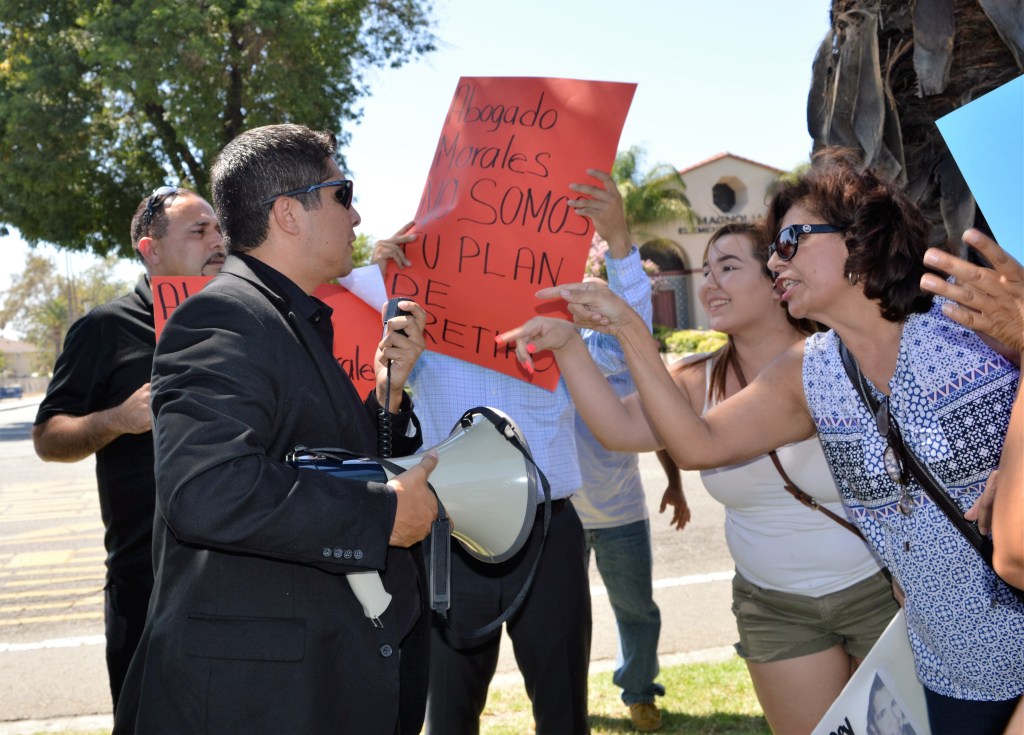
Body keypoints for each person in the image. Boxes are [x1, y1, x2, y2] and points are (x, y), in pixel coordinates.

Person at [499, 148, 1024, 734]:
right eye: (773, 247)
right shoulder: (813, 371)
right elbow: (695, 443)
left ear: (859, 240)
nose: (776, 260)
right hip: (953, 675)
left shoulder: (973, 325)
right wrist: (619, 328)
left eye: (791, 240)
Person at [505, 221, 898, 734]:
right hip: (774, 609)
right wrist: (568, 346)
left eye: (729, 268)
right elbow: (619, 428)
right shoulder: (697, 378)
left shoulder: (838, 358)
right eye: (706, 270)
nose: (709, 283)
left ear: (775, 275)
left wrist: (626, 325)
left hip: (879, 594)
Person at [112, 123, 439, 735]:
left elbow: (316, 460)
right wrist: (381, 518)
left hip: (310, 678)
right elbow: (207, 490)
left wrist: (388, 397)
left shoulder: (284, 315)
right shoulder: (222, 315)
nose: (358, 213)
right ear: (289, 214)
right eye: (344, 193)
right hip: (260, 700)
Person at [372, 169, 651, 735]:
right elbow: (378, 409)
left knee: (563, 711)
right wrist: (374, 283)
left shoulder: (556, 323)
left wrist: (619, 241)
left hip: (548, 534)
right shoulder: (413, 319)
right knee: (448, 713)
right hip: (448, 534)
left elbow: (630, 348)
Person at [32, 185, 225, 712]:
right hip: (147, 586)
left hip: (240, 580)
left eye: (218, 229)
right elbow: (49, 437)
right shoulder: (104, 329)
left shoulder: (245, 321)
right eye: (199, 230)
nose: (218, 240)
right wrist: (117, 419)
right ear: (151, 249)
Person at [574, 365, 666, 730]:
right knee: (562, 619)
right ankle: (565, 698)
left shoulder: (630, 368)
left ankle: (640, 693)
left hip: (624, 516)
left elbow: (663, 425)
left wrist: (674, 484)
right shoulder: (553, 365)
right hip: (565, 518)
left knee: (637, 611)